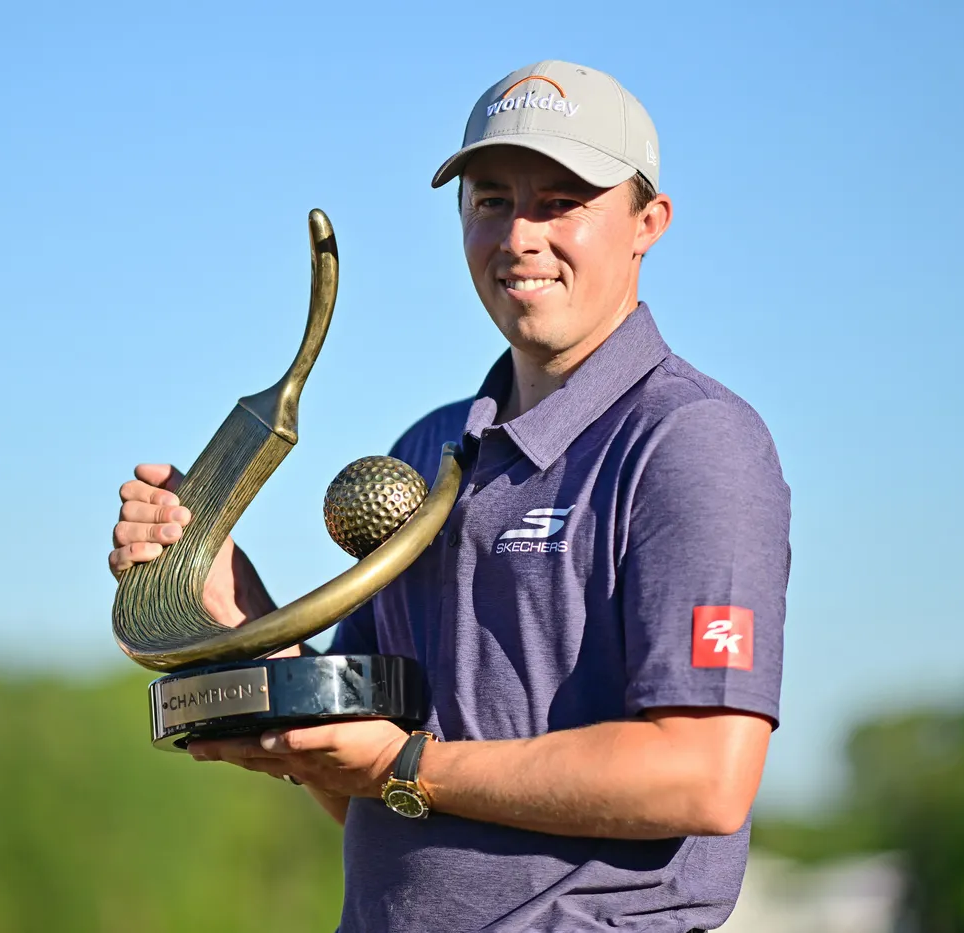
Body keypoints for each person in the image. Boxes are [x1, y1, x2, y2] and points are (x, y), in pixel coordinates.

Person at [109, 60, 791, 933]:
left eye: (561, 202)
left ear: (647, 222)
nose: (520, 237)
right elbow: (364, 790)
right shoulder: (431, 450)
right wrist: (233, 605)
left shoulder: (691, 441)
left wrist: (405, 766)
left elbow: (702, 775)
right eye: (492, 200)